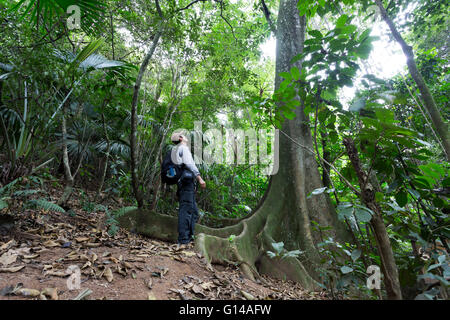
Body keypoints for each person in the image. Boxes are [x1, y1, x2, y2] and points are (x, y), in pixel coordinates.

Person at [170, 132, 206, 249]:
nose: (186, 137)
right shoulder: (183, 148)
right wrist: (199, 178)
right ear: (180, 138)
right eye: (183, 135)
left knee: (194, 212)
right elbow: (190, 164)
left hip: (183, 184)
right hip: (186, 184)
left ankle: (188, 237)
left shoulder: (176, 150)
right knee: (185, 211)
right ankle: (183, 241)